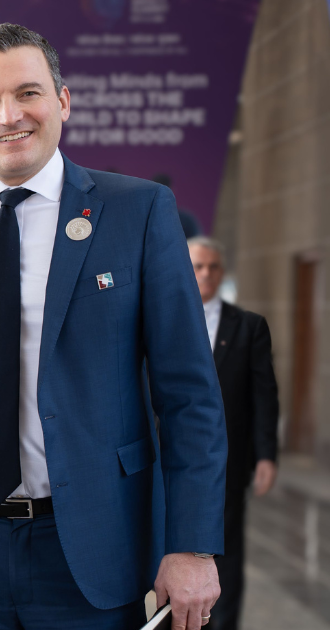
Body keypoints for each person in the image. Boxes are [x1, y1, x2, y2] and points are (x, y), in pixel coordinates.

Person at [0, 24, 227, 630]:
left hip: (92, 543)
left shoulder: (137, 210)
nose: (9, 116)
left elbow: (189, 395)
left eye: (28, 93)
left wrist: (192, 544)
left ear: (64, 102)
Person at [188, 236, 279, 630]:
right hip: (165, 457)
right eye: (197, 266)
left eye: (213, 267)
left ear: (222, 273)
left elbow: (264, 396)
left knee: (227, 552)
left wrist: (266, 456)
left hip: (227, 461)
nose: (205, 273)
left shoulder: (249, 326)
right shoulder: (158, 316)